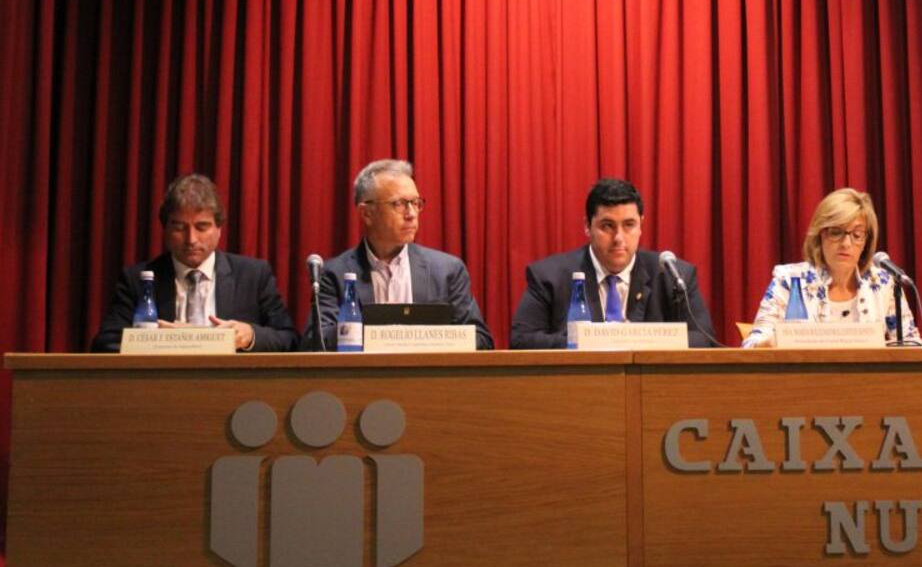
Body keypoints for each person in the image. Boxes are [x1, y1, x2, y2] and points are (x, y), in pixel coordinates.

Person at [91, 174, 299, 352]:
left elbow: (290, 340)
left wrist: (251, 336)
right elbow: (105, 343)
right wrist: (159, 341)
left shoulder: (253, 275)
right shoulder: (137, 279)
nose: (191, 239)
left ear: (219, 229)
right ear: (165, 229)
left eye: (202, 227)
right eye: (179, 227)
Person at [510, 177, 718, 348]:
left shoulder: (674, 277)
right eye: (607, 226)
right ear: (587, 226)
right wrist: (588, 342)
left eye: (629, 225)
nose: (619, 238)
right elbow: (521, 341)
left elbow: (704, 339)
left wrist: (637, 340)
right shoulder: (550, 277)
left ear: (641, 225)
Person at [308, 159, 494, 350]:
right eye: (399, 204)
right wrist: (383, 335)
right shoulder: (334, 274)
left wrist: (431, 339)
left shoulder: (447, 271)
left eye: (415, 203)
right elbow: (317, 342)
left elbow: (481, 340)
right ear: (367, 214)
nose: (411, 214)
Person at [742, 188, 921, 347]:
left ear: (866, 242)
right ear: (820, 235)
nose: (846, 243)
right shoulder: (790, 280)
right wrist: (775, 342)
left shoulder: (883, 283)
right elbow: (752, 344)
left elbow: (912, 345)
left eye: (857, 234)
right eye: (836, 232)